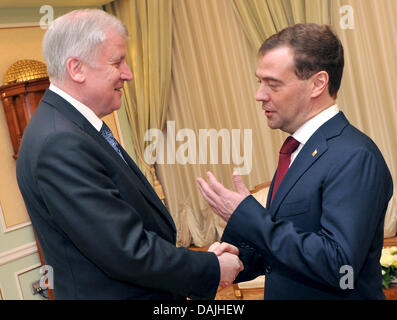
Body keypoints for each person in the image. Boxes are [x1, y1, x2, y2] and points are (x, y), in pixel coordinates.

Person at [16, 9, 243, 300]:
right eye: (117, 62)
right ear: (76, 68)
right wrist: (210, 268)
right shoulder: (60, 141)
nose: (129, 74)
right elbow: (125, 251)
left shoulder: (72, 127)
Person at [197, 23, 393, 299]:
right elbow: (293, 244)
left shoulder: (353, 156)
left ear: (317, 84)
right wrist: (241, 257)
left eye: (272, 84)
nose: (259, 95)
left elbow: (340, 266)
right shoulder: (298, 150)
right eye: (259, 81)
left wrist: (247, 215)